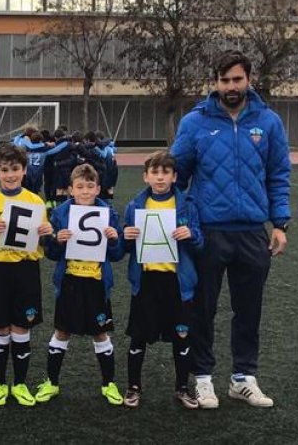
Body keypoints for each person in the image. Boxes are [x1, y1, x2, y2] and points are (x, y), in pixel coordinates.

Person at [170, 49, 291, 409]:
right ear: (215, 82)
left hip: (253, 230)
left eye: (237, 79)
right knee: (202, 308)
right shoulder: (195, 122)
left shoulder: (269, 122)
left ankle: (243, 378)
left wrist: (280, 223)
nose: (231, 86)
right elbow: (177, 175)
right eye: (224, 80)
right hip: (208, 231)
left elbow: (279, 174)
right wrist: (180, 219)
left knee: (248, 309)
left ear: (248, 79)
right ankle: (203, 378)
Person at [34, 164, 125, 406]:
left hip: (96, 283)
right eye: (80, 187)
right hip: (69, 282)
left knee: (100, 332)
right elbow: (51, 253)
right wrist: (56, 240)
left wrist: (115, 239)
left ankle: (109, 384)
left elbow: (117, 255)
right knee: (62, 330)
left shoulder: (109, 214)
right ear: (70, 190)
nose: (85, 191)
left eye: (90, 186)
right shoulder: (61, 213)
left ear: (98, 189)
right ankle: (52, 382)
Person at [120, 150, 203, 409]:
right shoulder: (135, 206)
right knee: (139, 336)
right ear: (146, 176)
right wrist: (126, 236)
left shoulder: (186, 205)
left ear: (174, 176)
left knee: (182, 337)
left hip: (177, 282)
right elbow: (122, 247)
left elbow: (200, 243)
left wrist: (190, 234)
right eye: (155, 172)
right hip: (146, 280)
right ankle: (133, 387)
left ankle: (182, 387)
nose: (160, 177)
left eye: (165, 172)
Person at [0, 143, 53, 407]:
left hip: (26, 271)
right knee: (0, 326)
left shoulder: (35, 201)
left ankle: (19, 384)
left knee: (21, 327)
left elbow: (46, 247)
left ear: (24, 170)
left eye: (15, 169)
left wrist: (47, 235)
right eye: (5, 170)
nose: (10, 175)